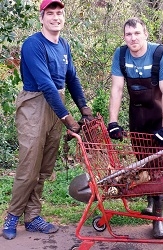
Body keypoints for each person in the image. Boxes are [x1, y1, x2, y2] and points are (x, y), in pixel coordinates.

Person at [2, 0, 93, 240]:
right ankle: (12, 216)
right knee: (29, 167)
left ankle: (32, 217)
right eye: (50, 13)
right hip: (35, 105)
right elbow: (45, 84)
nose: (55, 17)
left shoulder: (63, 44)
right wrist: (67, 117)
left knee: (44, 168)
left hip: (55, 105)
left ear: (64, 17)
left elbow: (71, 78)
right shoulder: (33, 44)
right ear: (41, 18)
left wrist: (84, 108)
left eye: (59, 13)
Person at [107, 17, 163, 239]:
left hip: (160, 117)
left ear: (145, 33)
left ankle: (158, 219)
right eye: (128, 34)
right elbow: (117, 89)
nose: (133, 38)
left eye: (137, 33)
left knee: (161, 166)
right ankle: (150, 203)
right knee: (143, 162)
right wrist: (113, 122)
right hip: (138, 116)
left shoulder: (162, 55)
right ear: (124, 37)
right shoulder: (121, 55)